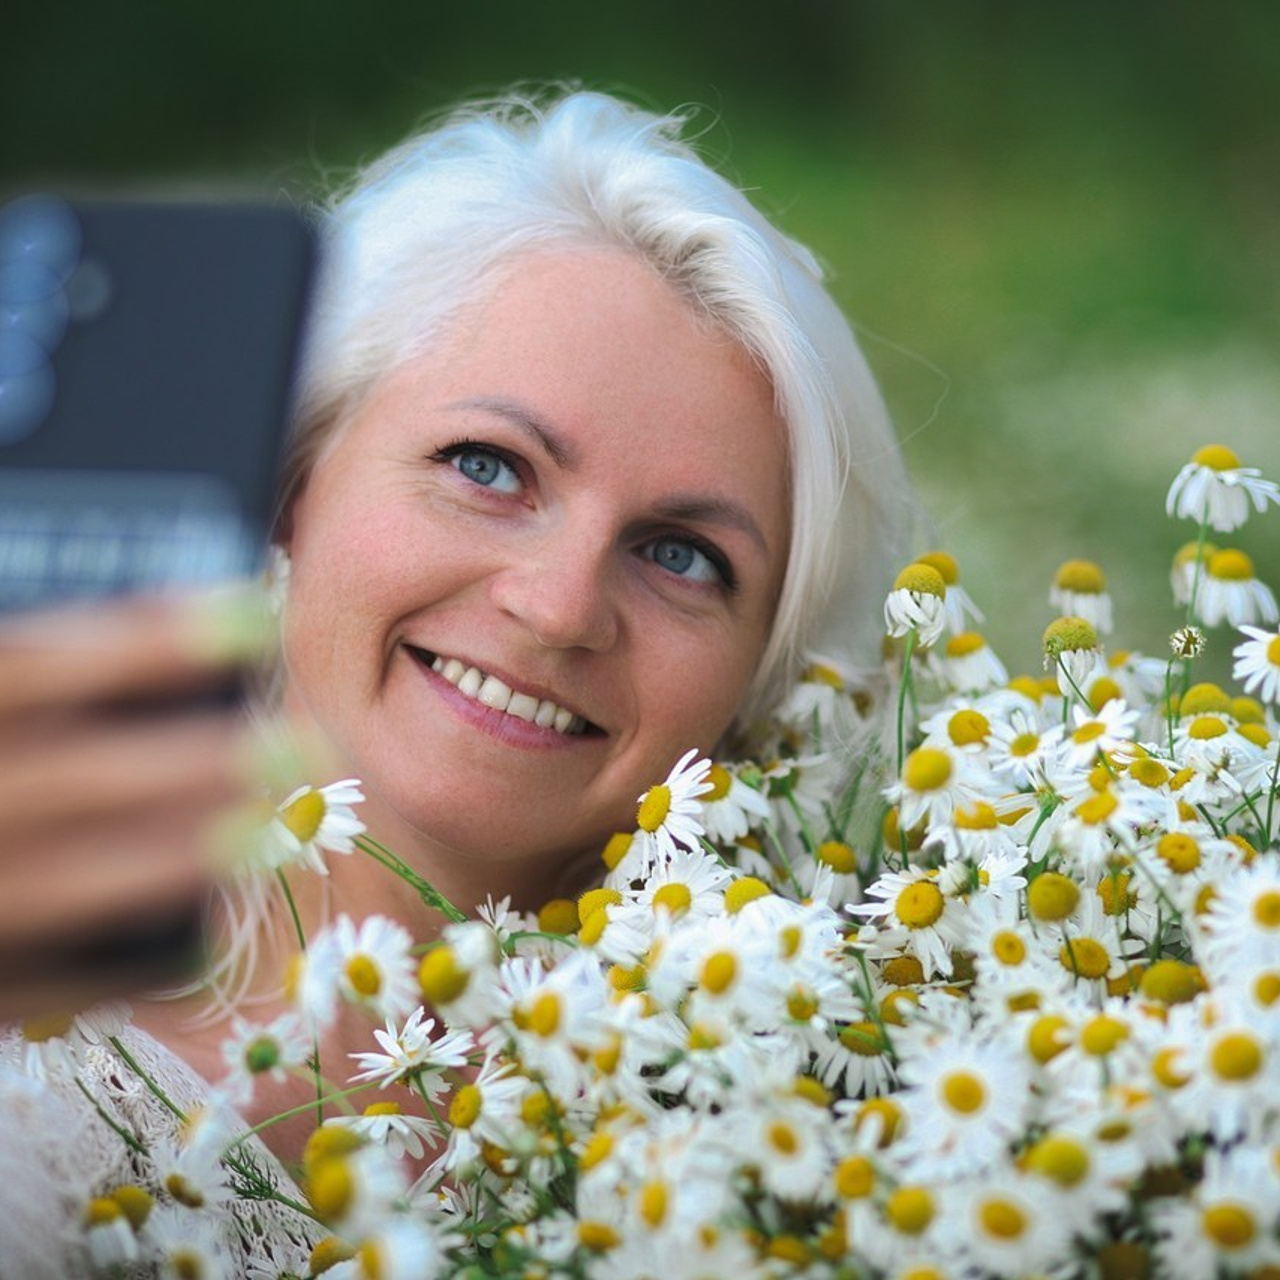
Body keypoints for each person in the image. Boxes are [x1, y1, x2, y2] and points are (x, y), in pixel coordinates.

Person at [0, 87, 912, 1273]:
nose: (560, 605)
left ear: (758, 688)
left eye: (682, 555)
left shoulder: (815, 1113)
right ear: (289, 482)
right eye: (486, 465)